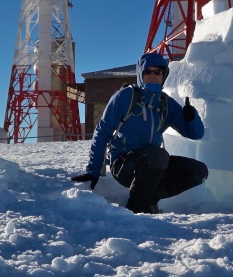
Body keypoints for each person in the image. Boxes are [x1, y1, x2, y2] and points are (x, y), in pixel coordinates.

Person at [71, 53, 208, 214]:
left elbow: (196, 134)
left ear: (164, 75)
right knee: (158, 155)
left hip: (152, 163)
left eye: (158, 72)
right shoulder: (125, 97)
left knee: (198, 171)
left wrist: (192, 118)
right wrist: (92, 172)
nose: (153, 76)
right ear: (140, 74)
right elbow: (102, 133)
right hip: (124, 164)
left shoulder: (165, 103)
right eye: (147, 72)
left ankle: (149, 199)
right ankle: (137, 209)